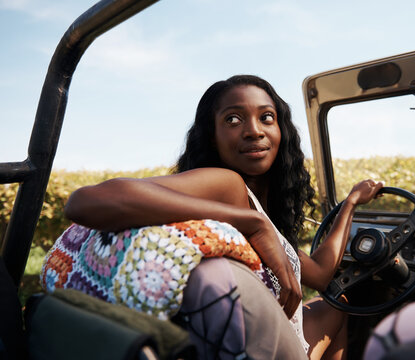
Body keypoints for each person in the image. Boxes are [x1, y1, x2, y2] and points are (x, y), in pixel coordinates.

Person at [61, 75, 384, 359]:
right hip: (260, 339)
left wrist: (350, 203)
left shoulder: (253, 210)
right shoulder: (227, 185)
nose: (254, 131)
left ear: (281, 130)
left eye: (267, 118)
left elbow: (319, 275)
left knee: (335, 303)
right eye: (233, 120)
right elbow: (85, 201)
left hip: (261, 330)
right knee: (341, 307)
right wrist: (251, 222)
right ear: (211, 135)